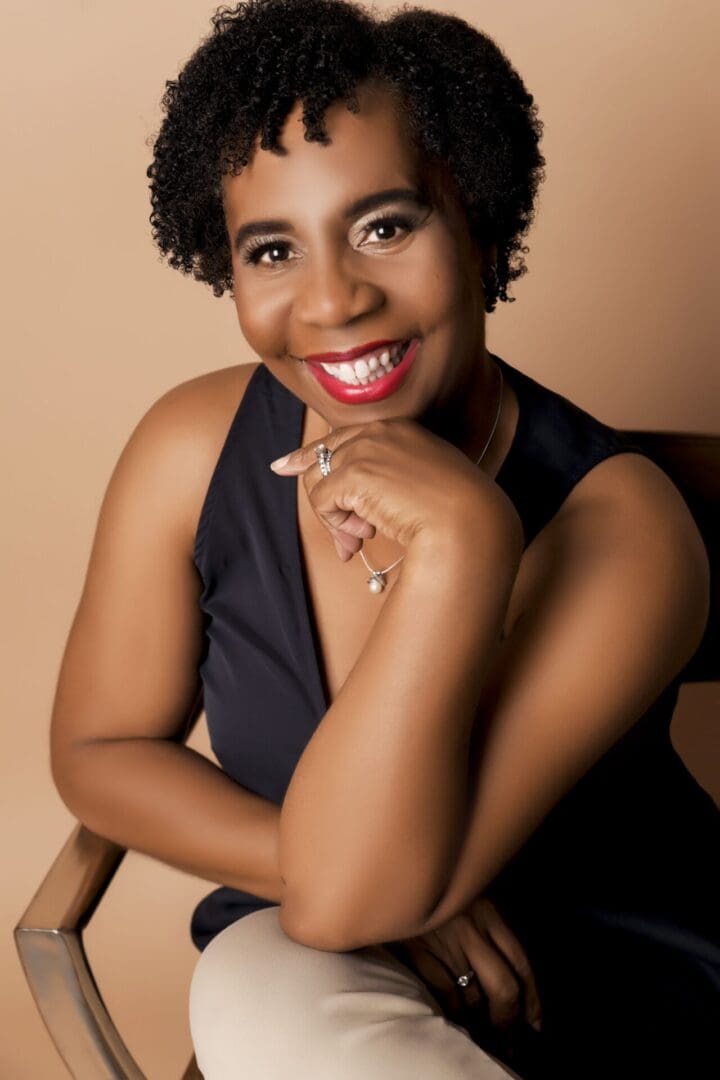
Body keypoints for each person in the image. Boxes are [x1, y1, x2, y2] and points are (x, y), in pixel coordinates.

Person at [50, 1, 719, 1077]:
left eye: (386, 226)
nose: (334, 298)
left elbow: (362, 885)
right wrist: (309, 875)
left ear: (482, 223)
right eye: (272, 249)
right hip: (324, 961)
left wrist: (462, 544)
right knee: (262, 978)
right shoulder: (191, 449)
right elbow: (100, 750)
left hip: (604, 1004)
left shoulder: (626, 527)